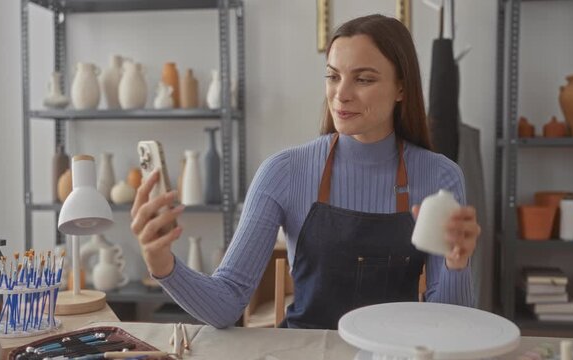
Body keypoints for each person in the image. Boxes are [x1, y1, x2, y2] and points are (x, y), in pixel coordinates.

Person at [130, 14, 480, 330]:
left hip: (396, 352)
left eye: (364, 79)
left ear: (401, 88)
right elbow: (226, 304)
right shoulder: (282, 172)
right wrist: (163, 264)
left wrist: (456, 264)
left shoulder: (439, 176)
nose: (341, 94)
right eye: (333, 76)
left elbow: (449, 323)